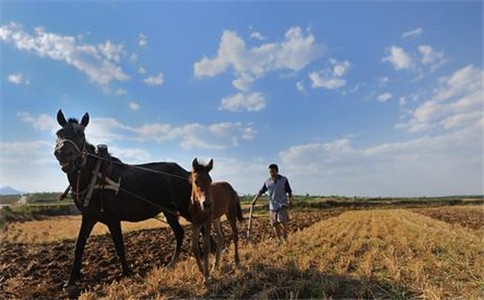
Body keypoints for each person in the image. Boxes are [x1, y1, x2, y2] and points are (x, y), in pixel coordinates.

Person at [251, 163, 293, 244]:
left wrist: (290, 201)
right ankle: (279, 240)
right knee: (274, 224)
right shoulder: (267, 182)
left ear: (277, 171)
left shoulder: (284, 179)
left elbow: (289, 191)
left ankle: (285, 236)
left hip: (282, 204)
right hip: (273, 206)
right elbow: (261, 192)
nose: (272, 173)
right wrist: (254, 201)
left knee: (282, 220)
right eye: (270, 172)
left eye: (273, 171)